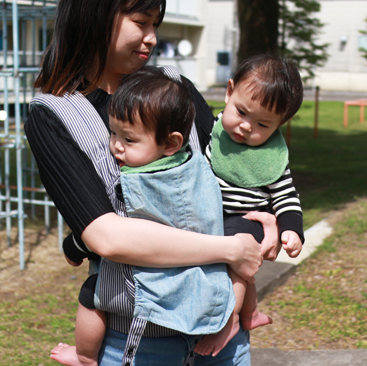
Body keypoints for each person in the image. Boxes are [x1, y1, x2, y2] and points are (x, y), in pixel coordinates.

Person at [25, 0, 279, 366]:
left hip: (221, 331)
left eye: (155, 24)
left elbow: (223, 173)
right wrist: (228, 248)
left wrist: (263, 214)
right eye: (141, 22)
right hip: (141, 342)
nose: (152, 38)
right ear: (94, 14)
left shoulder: (173, 87)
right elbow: (109, 237)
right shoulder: (55, 115)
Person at [50, 68, 235, 366]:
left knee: (92, 291)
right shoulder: (195, 165)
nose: (116, 146)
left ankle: (84, 356)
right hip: (206, 300)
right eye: (113, 133)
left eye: (129, 140)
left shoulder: (144, 183)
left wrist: (74, 246)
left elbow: (117, 230)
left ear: (171, 143)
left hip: (151, 305)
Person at [195, 55, 305, 357]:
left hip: (248, 219)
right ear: (229, 92)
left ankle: (228, 322)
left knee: (235, 267)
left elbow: (286, 196)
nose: (245, 127)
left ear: (279, 125)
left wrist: (292, 230)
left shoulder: (271, 157)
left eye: (262, 124)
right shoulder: (213, 131)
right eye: (241, 112)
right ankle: (249, 314)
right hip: (213, 215)